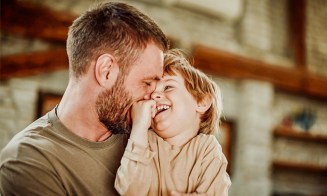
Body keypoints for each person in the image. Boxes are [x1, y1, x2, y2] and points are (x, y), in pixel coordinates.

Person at [0, 2, 169, 195]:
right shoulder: (29, 159)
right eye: (147, 83)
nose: (153, 97)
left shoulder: (142, 134)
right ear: (106, 71)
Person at [114, 49, 232, 196]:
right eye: (151, 94)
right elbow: (130, 191)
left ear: (202, 102)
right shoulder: (143, 142)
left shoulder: (207, 148)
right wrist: (139, 127)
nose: (155, 95)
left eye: (168, 87)